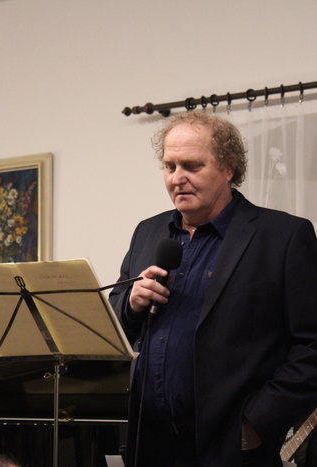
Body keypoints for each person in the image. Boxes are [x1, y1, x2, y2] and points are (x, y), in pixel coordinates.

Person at [108, 112, 317, 466]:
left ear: (229, 168)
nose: (178, 178)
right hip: (151, 443)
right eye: (170, 166)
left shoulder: (283, 236)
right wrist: (131, 304)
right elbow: (113, 324)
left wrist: (259, 421)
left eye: (192, 166)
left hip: (231, 446)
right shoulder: (148, 232)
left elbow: (311, 346)